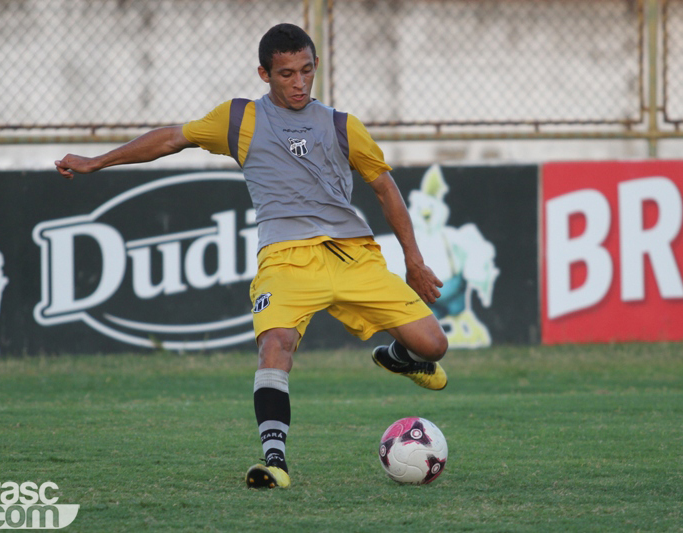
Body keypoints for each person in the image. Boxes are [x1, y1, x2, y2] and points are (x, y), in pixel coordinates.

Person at [55, 23, 448, 490]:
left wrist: (414, 261)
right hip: (285, 259)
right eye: (286, 74)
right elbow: (170, 138)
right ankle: (274, 461)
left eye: (306, 71)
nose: (299, 83)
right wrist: (97, 161)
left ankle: (401, 358)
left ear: (316, 66)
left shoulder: (343, 126)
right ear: (264, 73)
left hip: (352, 255)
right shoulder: (239, 120)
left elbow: (385, 188)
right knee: (275, 344)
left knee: (434, 347)